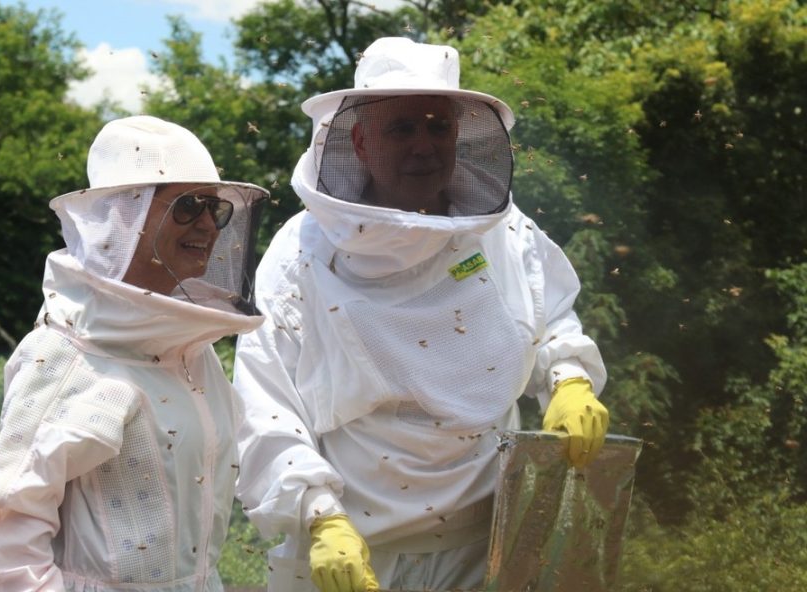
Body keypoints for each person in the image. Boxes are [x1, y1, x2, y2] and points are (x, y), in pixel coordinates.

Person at [233, 37, 609, 591]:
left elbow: (550, 319)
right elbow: (267, 401)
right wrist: (319, 517)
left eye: (439, 128)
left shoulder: (501, 232)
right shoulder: (300, 253)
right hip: (354, 550)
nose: (424, 146)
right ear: (358, 141)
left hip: (487, 548)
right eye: (402, 129)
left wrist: (569, 378)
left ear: (460, 135)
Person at [0, 115, 269, 591]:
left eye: (214, 207)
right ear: (126, 215)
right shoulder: (60, 354)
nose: (208, 223)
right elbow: (3, 540)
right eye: (187, 206)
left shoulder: (192, 350)